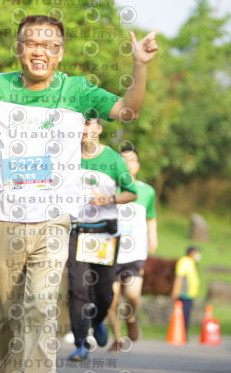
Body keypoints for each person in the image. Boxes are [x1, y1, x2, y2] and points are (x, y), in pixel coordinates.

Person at [0, 14, 158, 372]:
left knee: (40, 307)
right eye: (31, 43)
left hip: (53, 222)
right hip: (2, 220)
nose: (40, 51)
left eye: (50, 45)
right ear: (18, 50)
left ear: (60, 54)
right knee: (9, 312)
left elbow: (128, 110)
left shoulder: (77, 91)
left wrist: (139, 65)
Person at [66, 119, 137, 361]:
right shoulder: (67, 155)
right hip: (76, 232)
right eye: (81, 125)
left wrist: (108, 200)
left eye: (90, 125)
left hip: (104, 233)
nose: (85, 130)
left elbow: (131, 192)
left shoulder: (114, 160)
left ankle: (97, 322)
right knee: (77, 289)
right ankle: (80, 342)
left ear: (99, 129)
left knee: (105, 292)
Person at [107, 144, 157, 352]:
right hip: (110, 250)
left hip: (136, 252)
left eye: (133, 160)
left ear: (138, 164)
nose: (129, 164)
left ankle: (131, 316)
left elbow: (151, 217)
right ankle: (118, 338)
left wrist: (153, 236)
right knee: (112, 298)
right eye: (124, 160)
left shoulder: (147, 191)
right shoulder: (109, 189)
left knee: (133, 295)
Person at [170, 246, 200, 336]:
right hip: (184, 293)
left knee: (187, 316)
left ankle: (183, 334)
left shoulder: (191, 262)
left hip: (190, 294)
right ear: (192, 252)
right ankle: (181, 335)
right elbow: (179, 277)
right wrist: (175, 290)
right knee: (183, 316)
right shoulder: (184, 261)